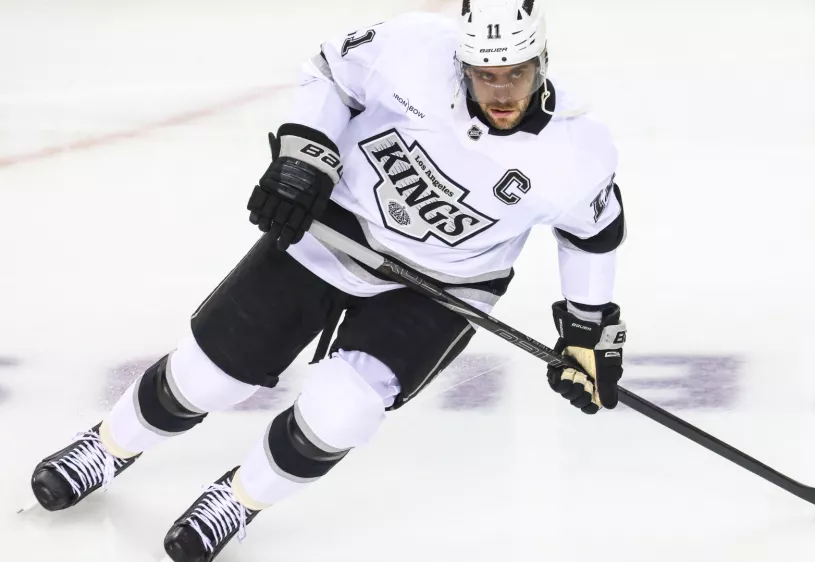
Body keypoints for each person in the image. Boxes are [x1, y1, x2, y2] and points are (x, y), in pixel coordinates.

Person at [27, 1, 627, 560]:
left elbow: (592, 233)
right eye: (484, 75)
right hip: (333, 235)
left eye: (517, 74)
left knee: (340, 413)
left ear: (542, 61)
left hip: (442, 288)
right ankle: (108, 449)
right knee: (204, 378)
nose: (502, 92)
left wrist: (587, 329)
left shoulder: (576, 148)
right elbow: (333, 73)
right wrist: (305, 155)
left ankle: (239, 500)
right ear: (461, 62)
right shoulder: (410, 50)